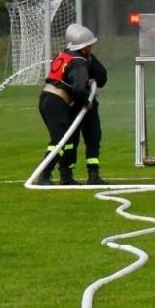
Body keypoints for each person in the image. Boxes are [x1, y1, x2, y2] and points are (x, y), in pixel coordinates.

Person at [36, 23, 109, 186]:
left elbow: (101, 76)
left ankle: (66, 177)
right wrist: (87, 101)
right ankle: (44, 175)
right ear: (83, 47)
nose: (91, 48)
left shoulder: (66, 55)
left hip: (51, 100)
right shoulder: (78, 61)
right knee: (60, 140)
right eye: (89, 45)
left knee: (64, 140)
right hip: (58, 102)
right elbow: (78, 88)